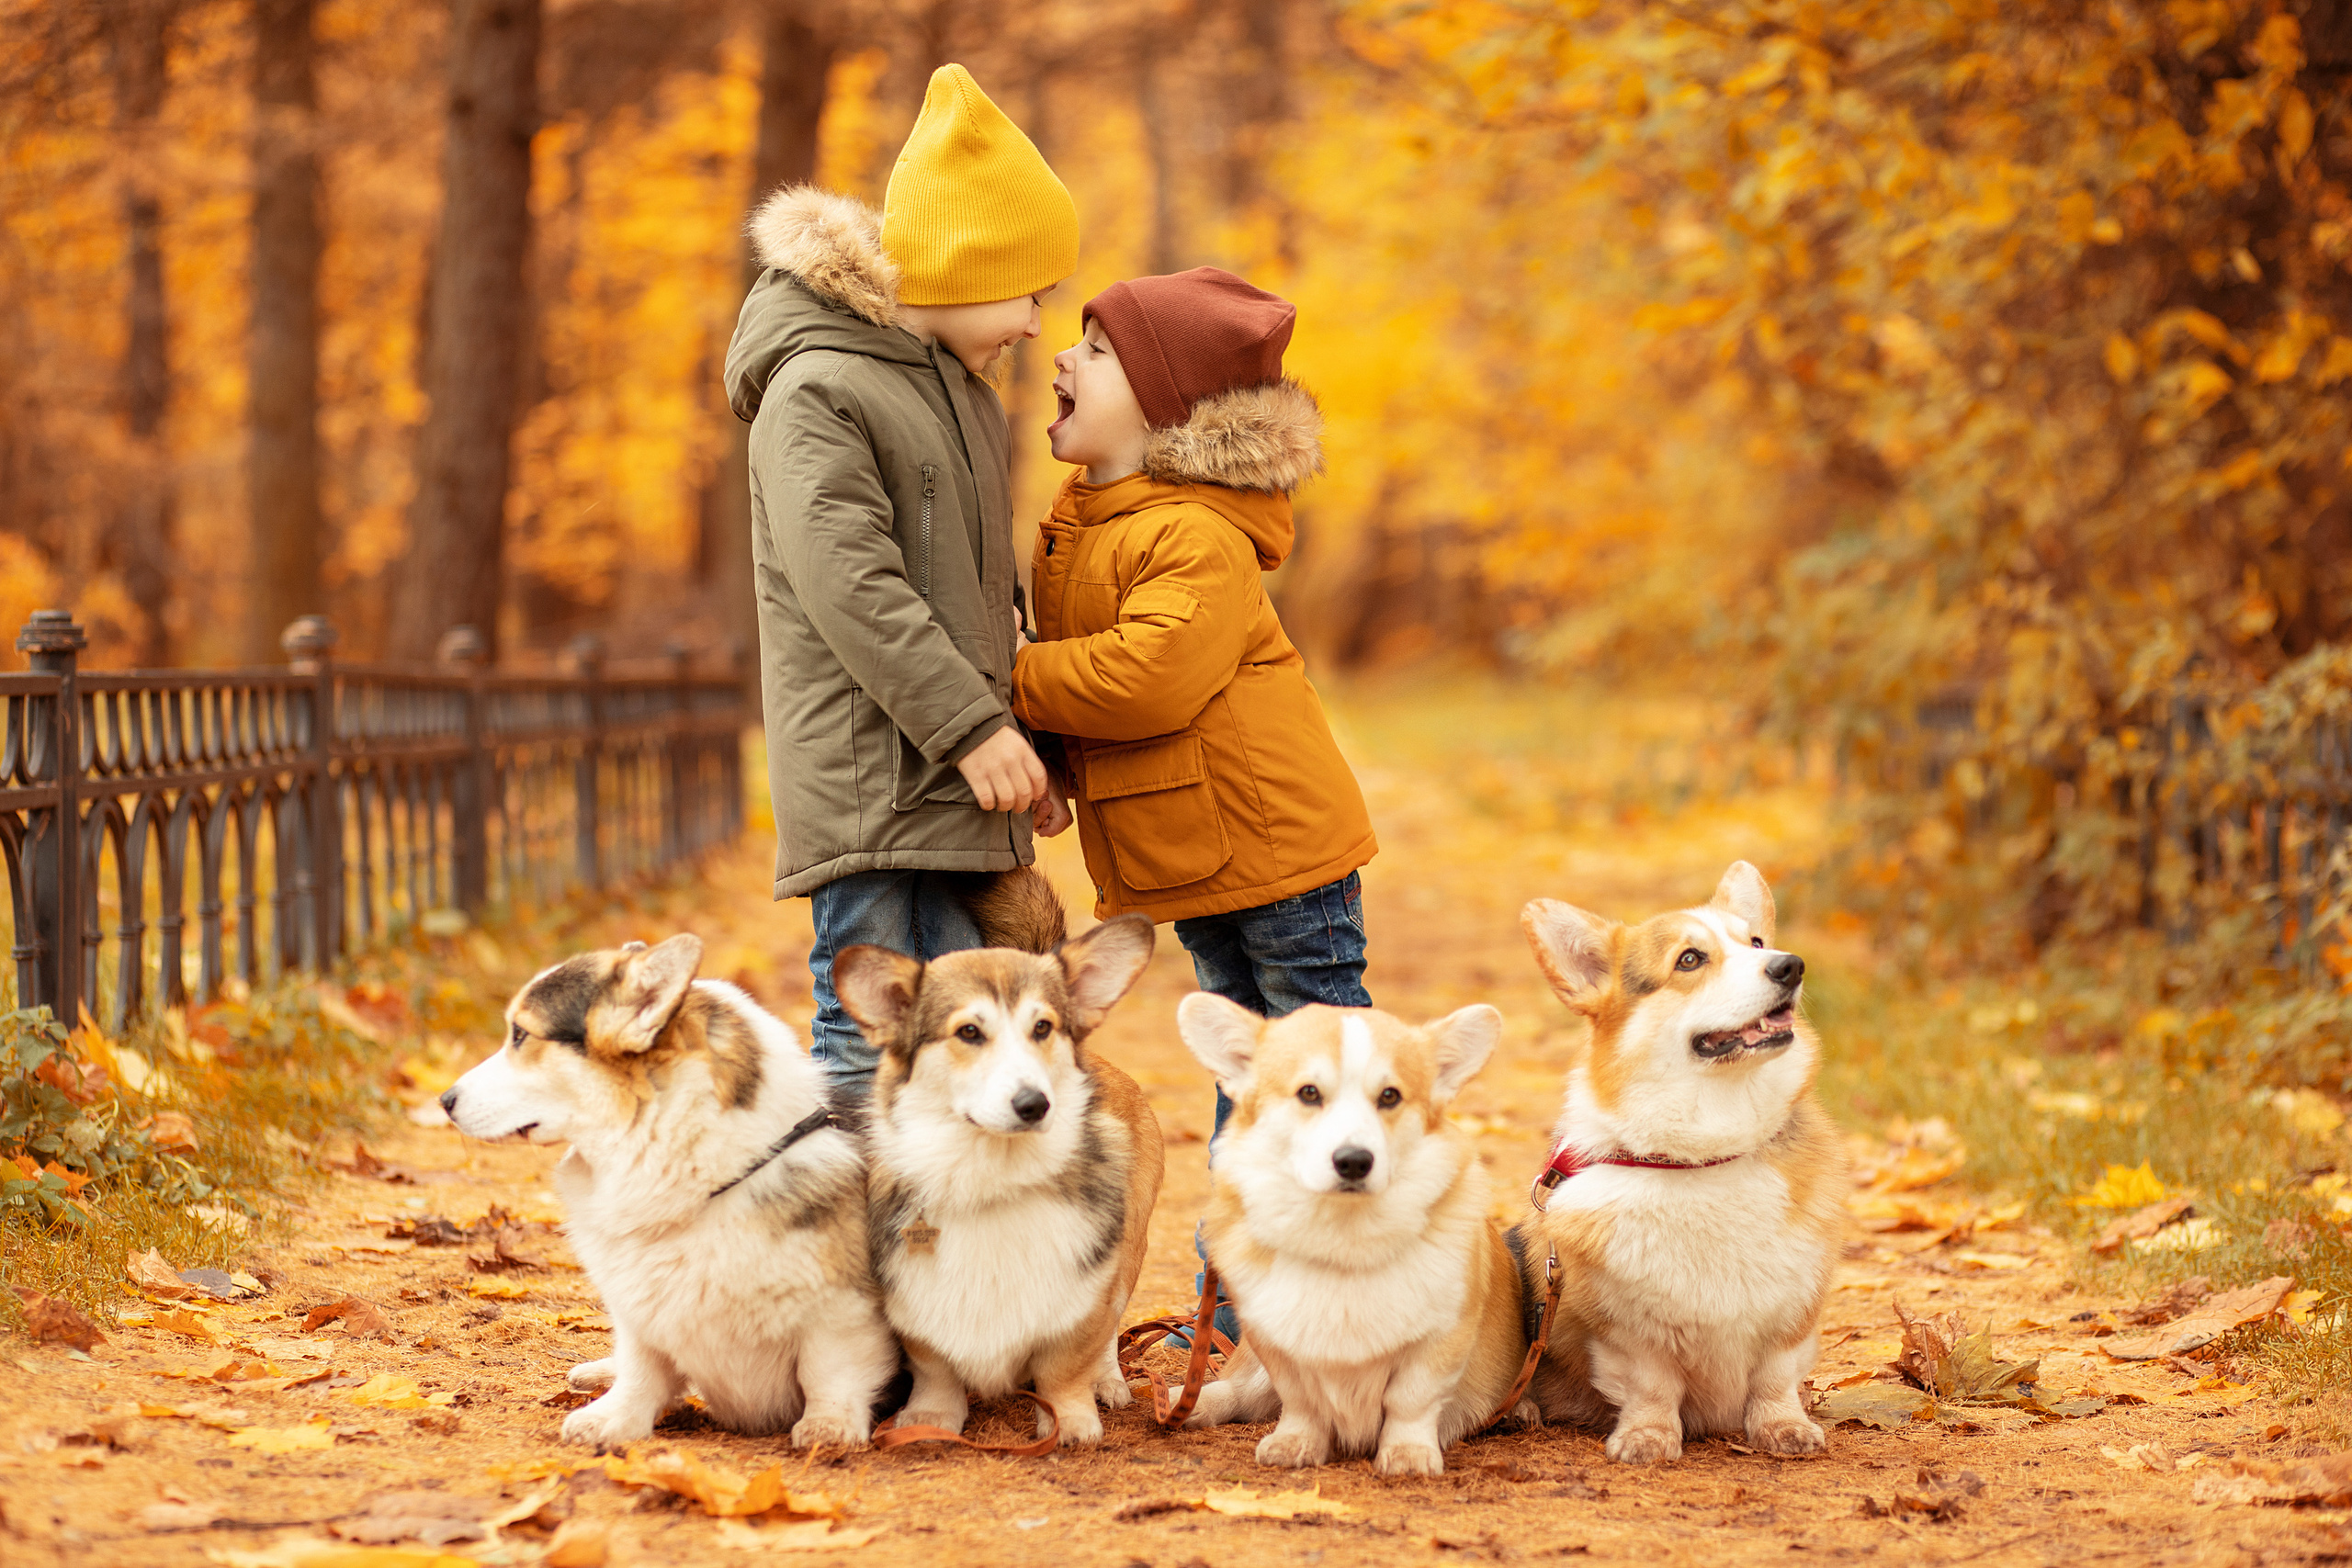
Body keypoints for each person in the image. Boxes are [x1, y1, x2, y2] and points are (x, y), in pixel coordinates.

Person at [1012, 267, 1379, 1337]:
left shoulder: (1193, 533)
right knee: (1253, 1073)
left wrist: (1011, 680)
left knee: (1315, 1073)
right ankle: (1245, 1303)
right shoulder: (1087, 517)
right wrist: (1054, 764)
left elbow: (1146, 678)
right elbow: (1111, 689)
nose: (1062, 362)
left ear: (1164, 408)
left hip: (1280, 854)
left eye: (1096, 351)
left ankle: (1326, 1284)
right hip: (1207, 854)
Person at [724, 63, 1075, 1092]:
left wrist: (1020, 750)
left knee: (975, 1034)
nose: (1035, 324)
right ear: (965, 266)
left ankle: (936, 1252)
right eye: (1030, 290)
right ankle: (846, 1253)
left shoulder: (957, 393)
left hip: (953, 775)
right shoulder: (818, 387)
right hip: (874, 779)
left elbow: (978, 596)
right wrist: (971, 728)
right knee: (870, 1034)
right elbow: (853, 584)